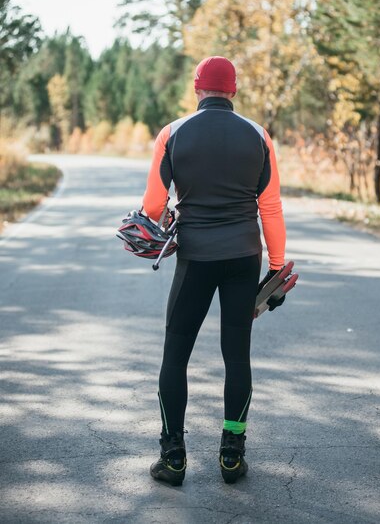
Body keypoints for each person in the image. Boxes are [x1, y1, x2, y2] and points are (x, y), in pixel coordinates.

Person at [142, 56, 286, 485]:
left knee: (176, 353)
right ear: (234, 91)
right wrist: (276, 269)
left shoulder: (172, 133)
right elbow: (271, 208)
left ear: (196, 88)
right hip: (244, 258)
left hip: (195, 259)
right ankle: (231, 455)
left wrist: (168, 213)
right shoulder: (259, 136)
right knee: (236, 355)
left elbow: (152, 207)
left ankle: (173, 458)